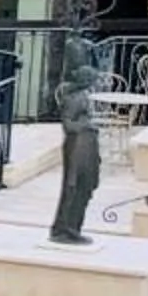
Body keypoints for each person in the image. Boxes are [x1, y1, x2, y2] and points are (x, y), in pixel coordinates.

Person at [48, 36, 102, 245]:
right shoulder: (72, 97)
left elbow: (96, 71)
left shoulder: (81, 95)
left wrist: (93, 51)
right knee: (74, 186)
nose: (93, 82)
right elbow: (68, 125)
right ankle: (65, 228)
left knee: (85, 185)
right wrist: (87, 126)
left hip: (86, 144)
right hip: (78, 145)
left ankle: (72, 227)